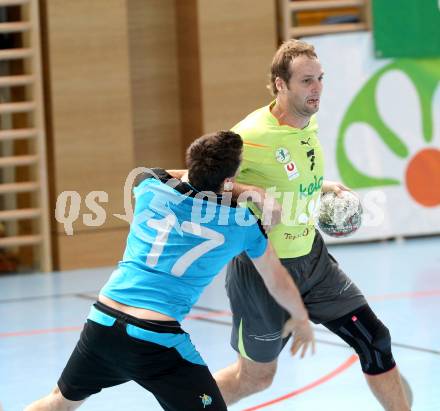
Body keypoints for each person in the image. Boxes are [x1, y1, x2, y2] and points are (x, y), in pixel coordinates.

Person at [24, 131, 315, 411]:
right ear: (229, 180)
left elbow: (173, 175)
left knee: (58, 402)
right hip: (155, 339)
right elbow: (277, 281)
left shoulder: (149, 187)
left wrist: (233, 187)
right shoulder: (241, 224)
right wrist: (301, 319)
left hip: (102, 321)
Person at [212, 40, 411, 410]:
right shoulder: (250, 135)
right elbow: (205, 180)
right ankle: (187, 402)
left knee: (374, 340)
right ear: (280, 85)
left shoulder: (307, 120)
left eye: (320, 78)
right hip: (262, 270)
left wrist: (322, 185)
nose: (316, 88)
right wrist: (248, 190)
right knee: (255, 377)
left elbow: (289, 173)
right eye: (306, 81)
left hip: (314, 262)